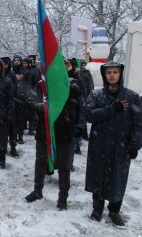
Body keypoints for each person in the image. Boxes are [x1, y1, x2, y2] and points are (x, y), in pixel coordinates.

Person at [85, 61, 142, 227]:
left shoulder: (131, 97)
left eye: (115, 72)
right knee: (98, 177)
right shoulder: (96, 95)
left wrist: (134, 145)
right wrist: (111, 109)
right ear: (104, 75)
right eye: (109, 72)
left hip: (121, 147)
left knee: (117, 178)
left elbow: (138, 123)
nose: (112, 75)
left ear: (120, 74)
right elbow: (88, 115)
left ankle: (114, 211)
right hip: (99, 145)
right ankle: (97, 209)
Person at [25, 73, 84, 210]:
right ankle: (37, 191)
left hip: (65, 133)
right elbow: (33, 100)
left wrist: (80, 126)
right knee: (40, 164)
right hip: (44, 132)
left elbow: (78, 96)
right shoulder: (42, 83)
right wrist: (42, 107)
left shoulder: (71, 83)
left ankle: (63, 198)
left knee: (64, 167)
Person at [0, 57, 18, 158]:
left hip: (10, 104)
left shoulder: (11, 75)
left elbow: (15, 88)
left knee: (12, 128)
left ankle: (13, 147)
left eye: (6, 63)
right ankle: (1, 147)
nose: (4, 65)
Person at [12, 55, 30, 144]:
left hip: (22, 99)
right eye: (15, 60)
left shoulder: (25, 71)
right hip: (13, 98)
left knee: (21, 119)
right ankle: (14, 136)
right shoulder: (11, 71)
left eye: (18, 60)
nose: (16, 62)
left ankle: (20, 136)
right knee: (13, 119)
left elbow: (28, 83)